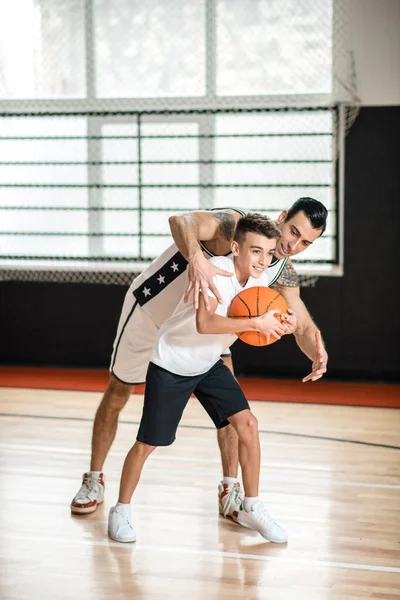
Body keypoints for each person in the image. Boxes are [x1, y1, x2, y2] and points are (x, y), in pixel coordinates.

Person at [71, 198, 328, 519]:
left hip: (203, 328)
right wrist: (197, 258)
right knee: (118, 393)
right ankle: (94, 478)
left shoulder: (282, 270)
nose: (295, 244)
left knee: (233, 410)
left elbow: (301, 322)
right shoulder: (234, 225)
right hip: (151, 311)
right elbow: (181, 221)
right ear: (282, 217)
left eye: (306, 242)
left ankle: (230, 489)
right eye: (293, 231)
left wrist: (316, 351)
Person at [108, 213, 294, 544]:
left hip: (208, 364)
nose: (263, 261)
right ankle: (121, 509)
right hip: (173, 363)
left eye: (268, 253)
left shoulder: (259, 282)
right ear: (236, 248)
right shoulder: (215, 273)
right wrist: (256, 324)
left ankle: (251, 504)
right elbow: (205, 324)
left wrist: (280, 323)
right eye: (255, 252)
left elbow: (261, 319)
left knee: (247, 424)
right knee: (148, 444)